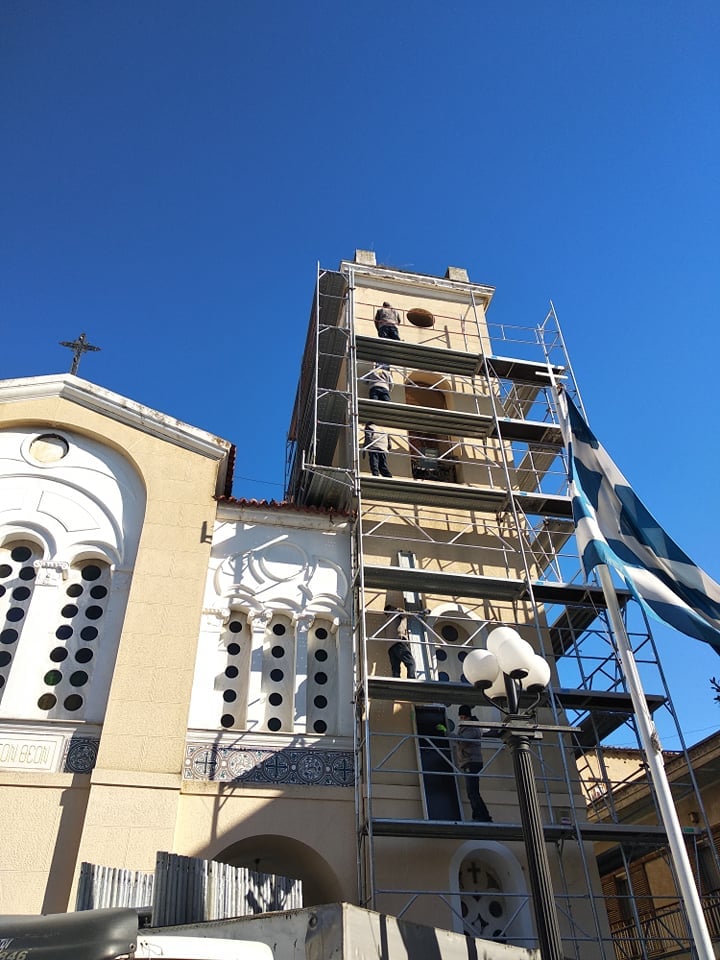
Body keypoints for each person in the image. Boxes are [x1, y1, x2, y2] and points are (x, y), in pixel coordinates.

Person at [453, 704, 492, 822]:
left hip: (471, 761)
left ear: (466, 716)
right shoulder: (471, 726)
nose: (460, 719)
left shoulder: (471, 727)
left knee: (472, 792)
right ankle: (481, 816)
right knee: (472, 791)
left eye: (461, 717)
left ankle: (482, 816)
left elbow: (463, 740)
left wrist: (448, 734)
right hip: (470, 761)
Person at [383, 603, 416, 679]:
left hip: (390, 647)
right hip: (398, 641)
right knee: (410, 662)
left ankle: (396, 681)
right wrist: (421, 613)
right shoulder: (397, 612)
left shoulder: (387, 622)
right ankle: (411, 679)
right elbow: (407, 614)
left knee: (395, 669)